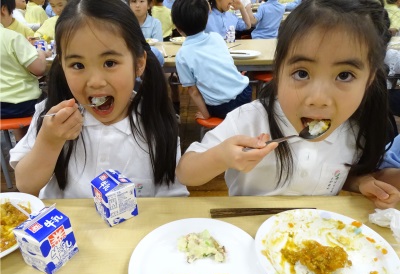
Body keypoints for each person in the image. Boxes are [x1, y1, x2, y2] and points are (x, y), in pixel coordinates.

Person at [176, 0, 398, 207]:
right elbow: (186, 172)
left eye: (344, 76)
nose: (318, 98)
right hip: (248, 233)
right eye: (302, 73)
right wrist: (221, 157)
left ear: (369, 81)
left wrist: (360, 183)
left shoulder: (356, 131)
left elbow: (338, 174)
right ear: (278, 71)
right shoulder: (249, 120)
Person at [9, 0, 189, 199]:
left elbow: (172, 199)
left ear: (138, 64)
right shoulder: (51, 115)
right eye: (77, 65)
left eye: (109, 63)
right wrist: (50, 141)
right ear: (62, 65)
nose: (95, 82)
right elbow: (25, 184)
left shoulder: (156, 121)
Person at [171, 0, 252, 120]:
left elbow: (193, 92)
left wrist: (206, 114)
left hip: (222, 106)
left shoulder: (182, 55)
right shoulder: (216, 37)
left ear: (178, 28)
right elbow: (227, 63)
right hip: (245, 93)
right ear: (206, 19)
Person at [1, 0, 48, 141]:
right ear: (4, 9)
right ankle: (36, 146)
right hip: (22, 105)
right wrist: (40, 52)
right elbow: (39, 69)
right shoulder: (11, 37)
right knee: (51, 95)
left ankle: (20, 144)